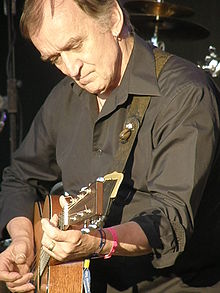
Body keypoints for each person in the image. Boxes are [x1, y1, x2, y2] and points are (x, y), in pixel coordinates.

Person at [0, 0, 220, 292]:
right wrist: (23, 241)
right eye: (55, 59)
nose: (71, 68)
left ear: (113, 19)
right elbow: (20, 178)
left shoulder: (185, 95)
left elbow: (169, 221)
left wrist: (99, 242)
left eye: (75, 45)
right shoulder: (64, 98)